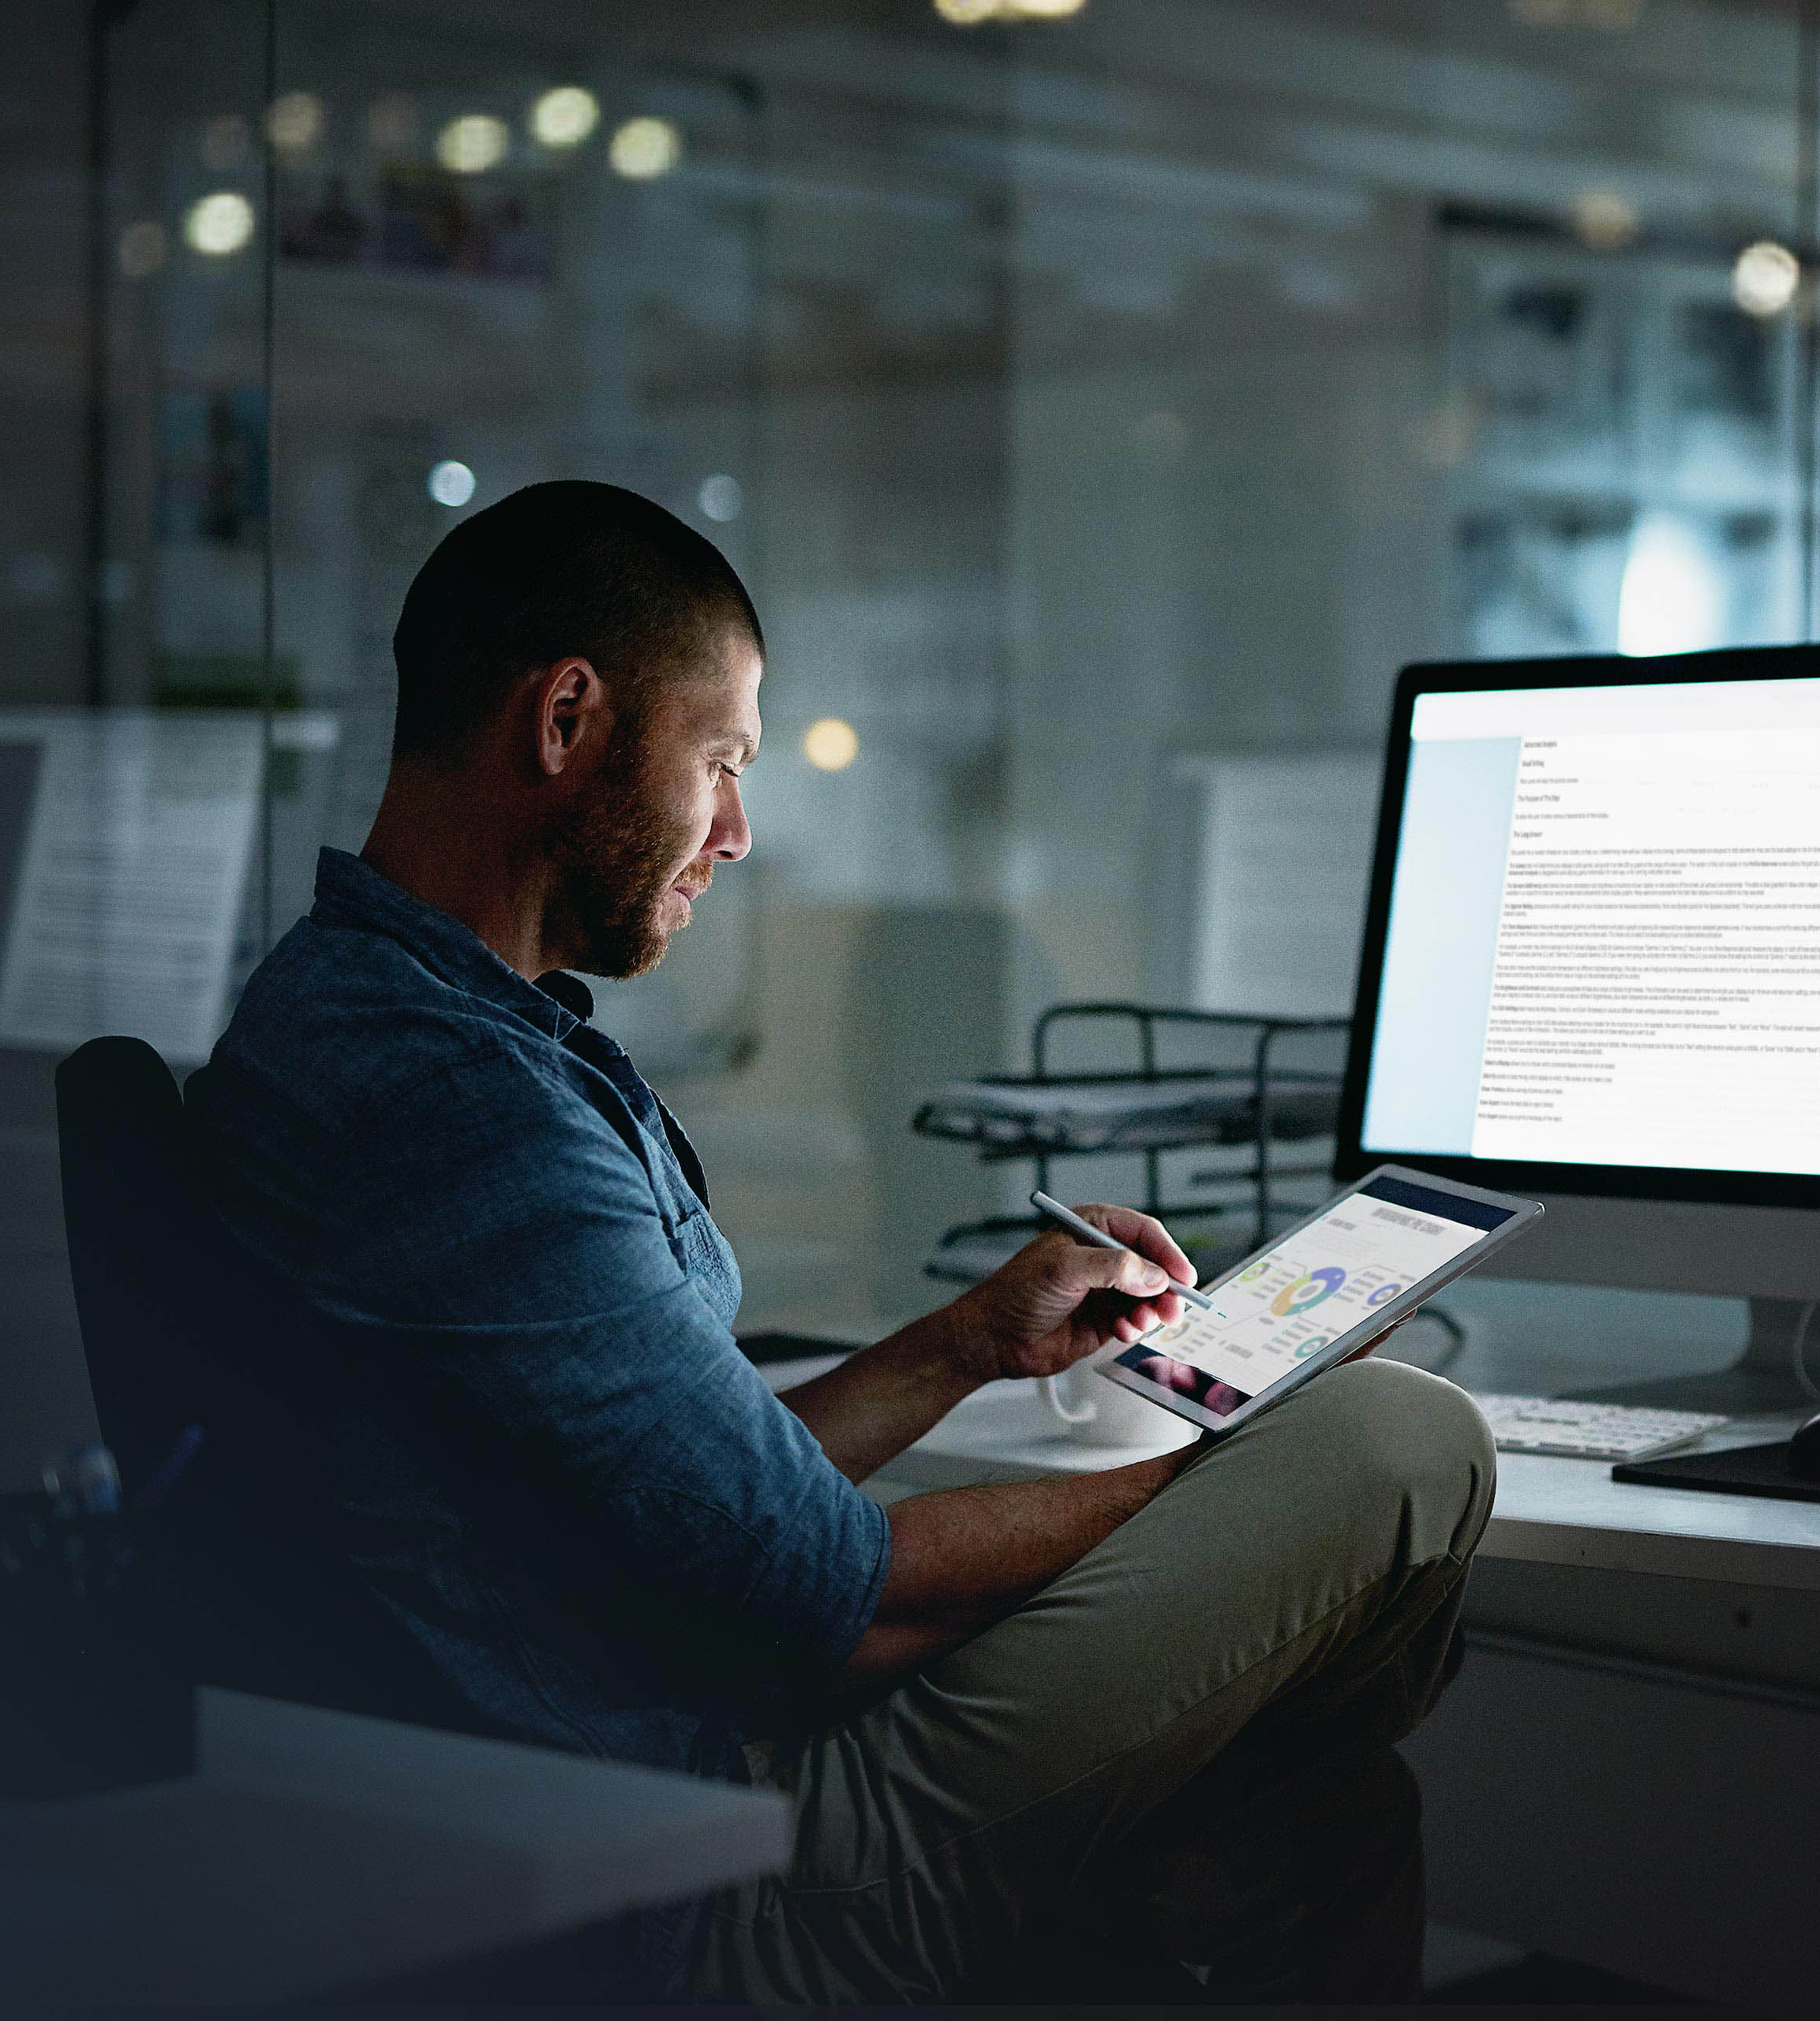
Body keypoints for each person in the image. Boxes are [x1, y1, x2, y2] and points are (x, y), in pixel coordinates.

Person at [185, 479, 1495, 2000]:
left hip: (604, 1772)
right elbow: (831, 1603)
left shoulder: (351, 1010)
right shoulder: (458, 1107)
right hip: (702, 1879)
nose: (738, 833)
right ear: (567, 723)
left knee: (1316, 1805)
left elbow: (691, 1504)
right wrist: (1246, 1438)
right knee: (1401, 1442)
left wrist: (960, 1346)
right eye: (721, 761)